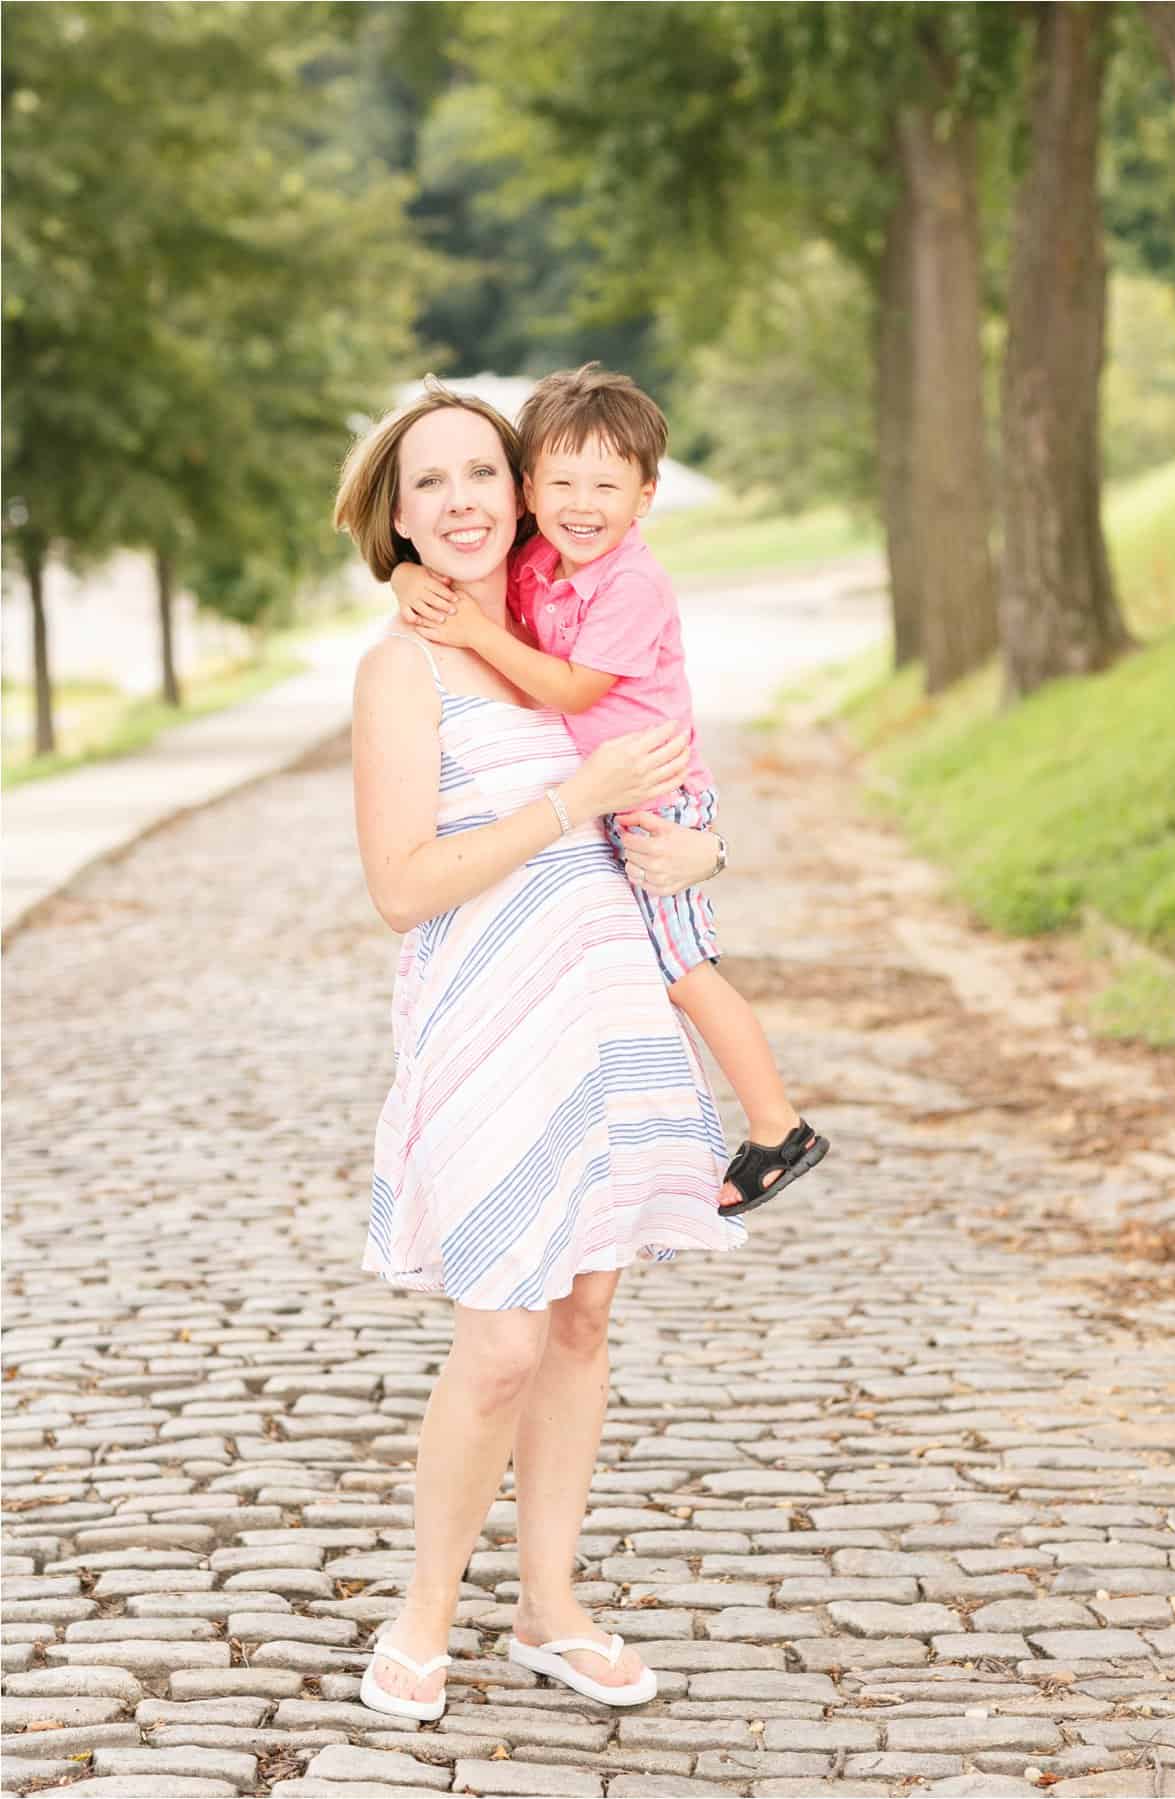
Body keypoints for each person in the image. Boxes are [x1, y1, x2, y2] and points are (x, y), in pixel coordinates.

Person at [333, 385, 747, 1721]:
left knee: (580, 1315)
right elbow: (403, 885)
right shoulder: (402, 668)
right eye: (428, 483)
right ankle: (425, 1611)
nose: (459, 501)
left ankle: (549, 1605)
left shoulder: (560, 627)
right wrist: (570, 800)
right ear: (394, 519)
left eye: (479, 474)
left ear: (518, 496)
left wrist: (700, 848)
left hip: (605, 999)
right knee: (502, 1339)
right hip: (481, 1015)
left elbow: (668, 789)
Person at [393, 363, 829, 1217]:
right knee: (646, 972)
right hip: (613, 798)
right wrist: (410, 579)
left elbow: (574, 692)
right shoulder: (539, 558)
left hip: (657, 804)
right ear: (528, 491)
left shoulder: (632, 581)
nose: (582, 502)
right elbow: (425, 567)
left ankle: (779, 1125)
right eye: (560, 482)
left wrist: (476, 629)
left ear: (646, 495)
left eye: (606, 484)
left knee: (683, 972)